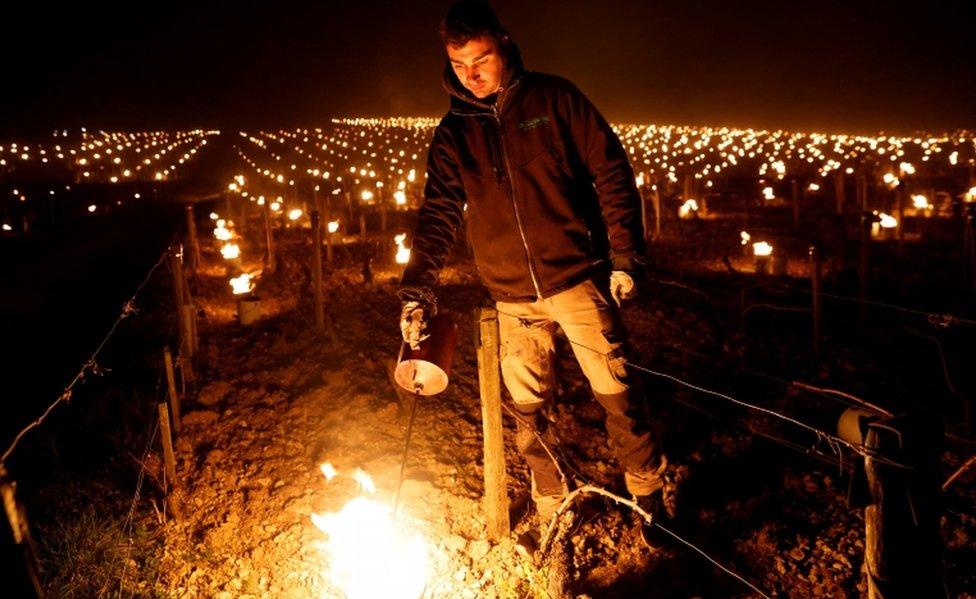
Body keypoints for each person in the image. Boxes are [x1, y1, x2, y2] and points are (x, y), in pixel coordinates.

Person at [398, 0, 667, 551]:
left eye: (481, 60)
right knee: (528, 418)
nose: (470, 76)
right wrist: (418, 287)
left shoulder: (555, 99)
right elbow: (439, 213)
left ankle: (650, 502)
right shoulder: (453, 134)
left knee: (620, 399)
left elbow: (611, 171)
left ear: (503, 44)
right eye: (458, 65)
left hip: (577, 281)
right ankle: (552, 510)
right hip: (511, 297)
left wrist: (625, 257)